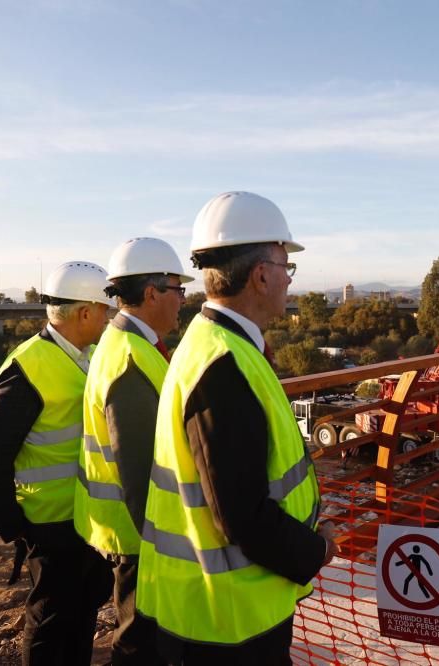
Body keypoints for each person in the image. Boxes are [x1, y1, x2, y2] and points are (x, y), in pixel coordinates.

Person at [136, 191, 339, 665]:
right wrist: (317, 550)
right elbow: (241, 515)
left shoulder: (220, 346)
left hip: (222, 611)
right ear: (261, 274)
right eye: (286, 267)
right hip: (224, 623)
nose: (290, 280)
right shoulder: (222, 364)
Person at [0, 261, 114, 666]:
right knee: (50, 624)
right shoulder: (26, 368)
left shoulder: (84, 358)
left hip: (83, 520)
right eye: (105, 310)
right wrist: (12, 525)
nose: (108, 319)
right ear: (85, 312)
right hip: (49, 527)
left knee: (81, 618)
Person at [74, 237, 193, 665]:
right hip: (141, 538)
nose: (183, 300)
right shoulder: (129, 357)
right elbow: (140, 471)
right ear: (151, 293)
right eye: (178, 290)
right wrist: (171, 545)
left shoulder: (132, 346)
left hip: (136, 534)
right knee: (140, 645)